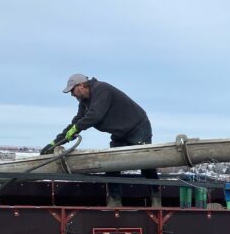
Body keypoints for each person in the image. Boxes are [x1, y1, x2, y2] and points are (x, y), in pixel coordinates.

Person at [43, 74, 159, 207]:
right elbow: (77, 121)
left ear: (81, 85)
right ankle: (115, 201)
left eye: (72, 91)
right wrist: (55, 143)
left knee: (146, 162)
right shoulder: (84, 102)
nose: (72, 95)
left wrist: (76, 128)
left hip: (137, 127)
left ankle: (156, 198)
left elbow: (95, 115)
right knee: (112, 164)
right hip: (120, 132)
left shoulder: (101, 90)